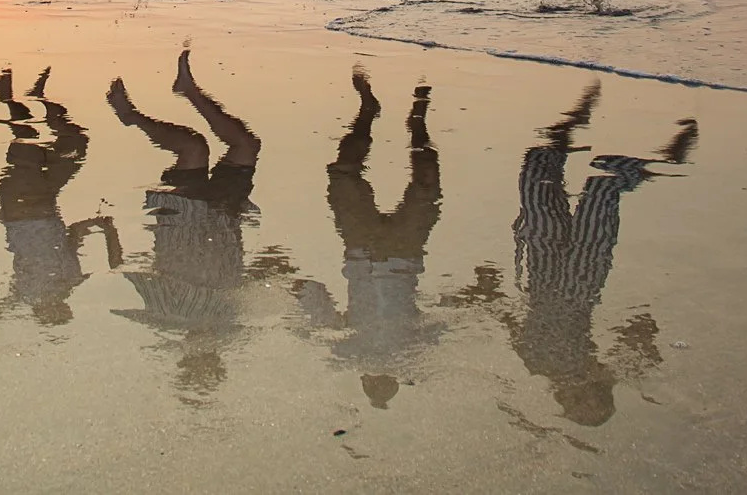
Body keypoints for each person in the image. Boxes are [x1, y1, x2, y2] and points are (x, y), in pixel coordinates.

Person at [448, 82, 699, 428]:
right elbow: (634, 344)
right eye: (590, 398)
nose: (580, 392)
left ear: (563, 399)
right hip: (581, 282)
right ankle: (664, 161)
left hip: (542, 271)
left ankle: (565, 133)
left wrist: (486, 290)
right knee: (601, 187)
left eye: (577, 401)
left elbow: (508, 320)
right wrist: (641, 336)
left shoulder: (534, 362)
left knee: (536, 173)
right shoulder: (598, 373)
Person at [105, 51, 278, 400]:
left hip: (182, 217)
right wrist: (277, 267)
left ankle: (131, 116)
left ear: (187, 357)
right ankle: (189, 90)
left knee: (194, 148)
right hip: (224, 216)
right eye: (212, 367)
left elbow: (123, 269)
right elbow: (248, 278)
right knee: (246, 145)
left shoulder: (167, 313)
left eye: (199, 366)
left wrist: (108, 228)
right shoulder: (232, 321)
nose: (206, 357)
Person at [0, 67, 121, 348]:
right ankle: (38, 97)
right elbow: (72, 234)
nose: (61, 308)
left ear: (42, 312)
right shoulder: (72, 280)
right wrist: (106, 230)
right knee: (76, 144)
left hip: (20, 206)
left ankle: (7, 97)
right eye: (63, 313)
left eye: (54, 314)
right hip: (46, 200)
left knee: (26, 136)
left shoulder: (27, 293)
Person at [292, 68, 444, 408]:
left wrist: (300, 289)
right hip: (403, 256)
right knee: (425, 182)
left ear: (365, 377)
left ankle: (368, 112)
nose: (378, 369)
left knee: (343, 173)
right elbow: (441, 323)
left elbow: (321, 313)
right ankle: (417, 124)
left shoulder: (350, 351)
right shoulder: (409, 351)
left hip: (361, 252)